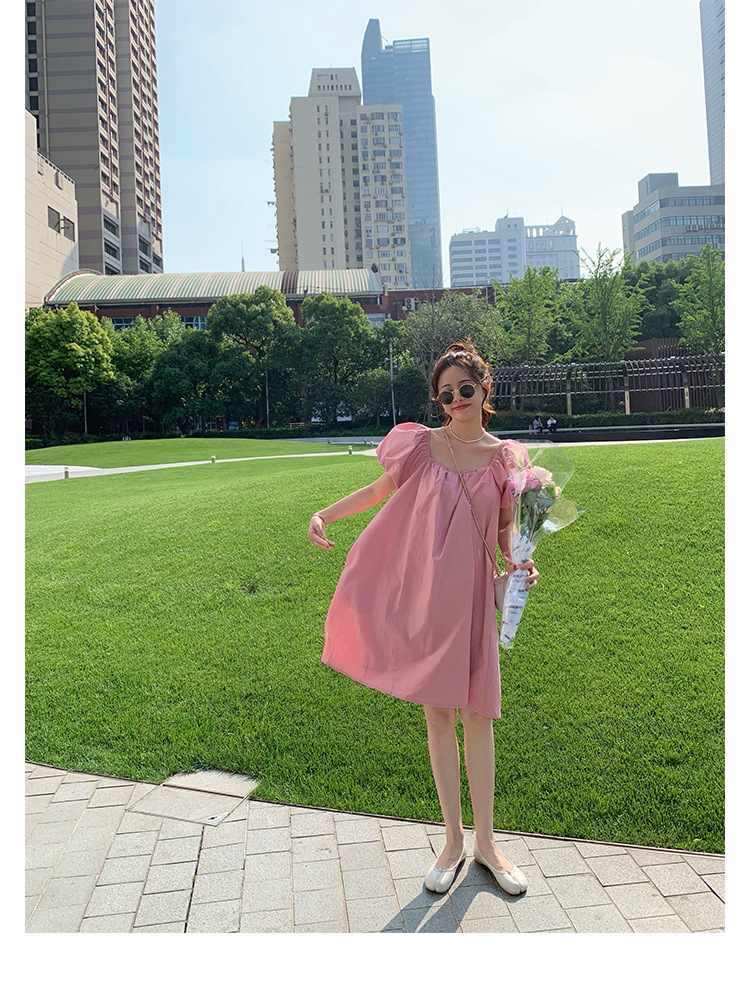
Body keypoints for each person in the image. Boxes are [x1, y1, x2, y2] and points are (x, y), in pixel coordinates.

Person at [308, 338, 539, 896]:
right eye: (445, 394)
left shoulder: (506, 459)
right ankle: (453, 841)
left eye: (465, 389)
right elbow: (378, 489)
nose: (456, 400)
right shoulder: (420, 445)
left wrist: (520, 563)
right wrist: (324, 514)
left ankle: (487, 844)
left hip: (474, 599)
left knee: (479, 716)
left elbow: (504, 528)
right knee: (438, 716)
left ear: (485, 388)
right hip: (426, 596)